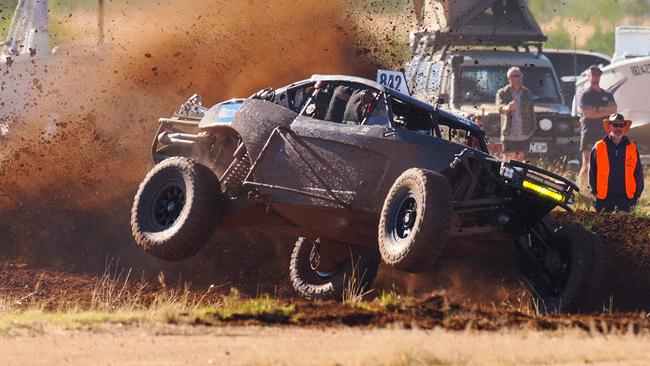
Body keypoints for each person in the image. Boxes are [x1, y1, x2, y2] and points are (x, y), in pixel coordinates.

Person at [589, 113, 644, 213]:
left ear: (624, 128)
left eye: (621, 125)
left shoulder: (632, 148)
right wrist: (594, 192)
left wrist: (636, 195)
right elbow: (592, 171)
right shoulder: (599, 146)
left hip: (626, 198)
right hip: (604, 198)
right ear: (609, 126)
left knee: (625, 228)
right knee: (602, 228)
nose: (618, 128)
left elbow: (638, 173)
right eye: (615, 125)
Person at [578, 65, 617, 188]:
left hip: (604, 133)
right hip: (589, 132)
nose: (595, 77)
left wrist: (598, 110)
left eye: (597, 75)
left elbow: (614, 110)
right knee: (587, 163)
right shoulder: (585, 95)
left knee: (603, 163)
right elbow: (588, 113)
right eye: (593, 75)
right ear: (589, 77)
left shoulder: (607, 94)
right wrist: (604, 111)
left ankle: (601, 188)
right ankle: (583, 189)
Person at [496, 67, 536, 160]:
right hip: (509, 134)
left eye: (520, 75)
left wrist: (533, 129)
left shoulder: (527, 93)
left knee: (522, 162)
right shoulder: (502, 93)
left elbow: (532, 112)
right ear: (510, 78)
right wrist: (508, 108)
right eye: (516, 76)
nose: (519, 78)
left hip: (525, 134)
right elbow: (500, 107)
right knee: (507, 161)